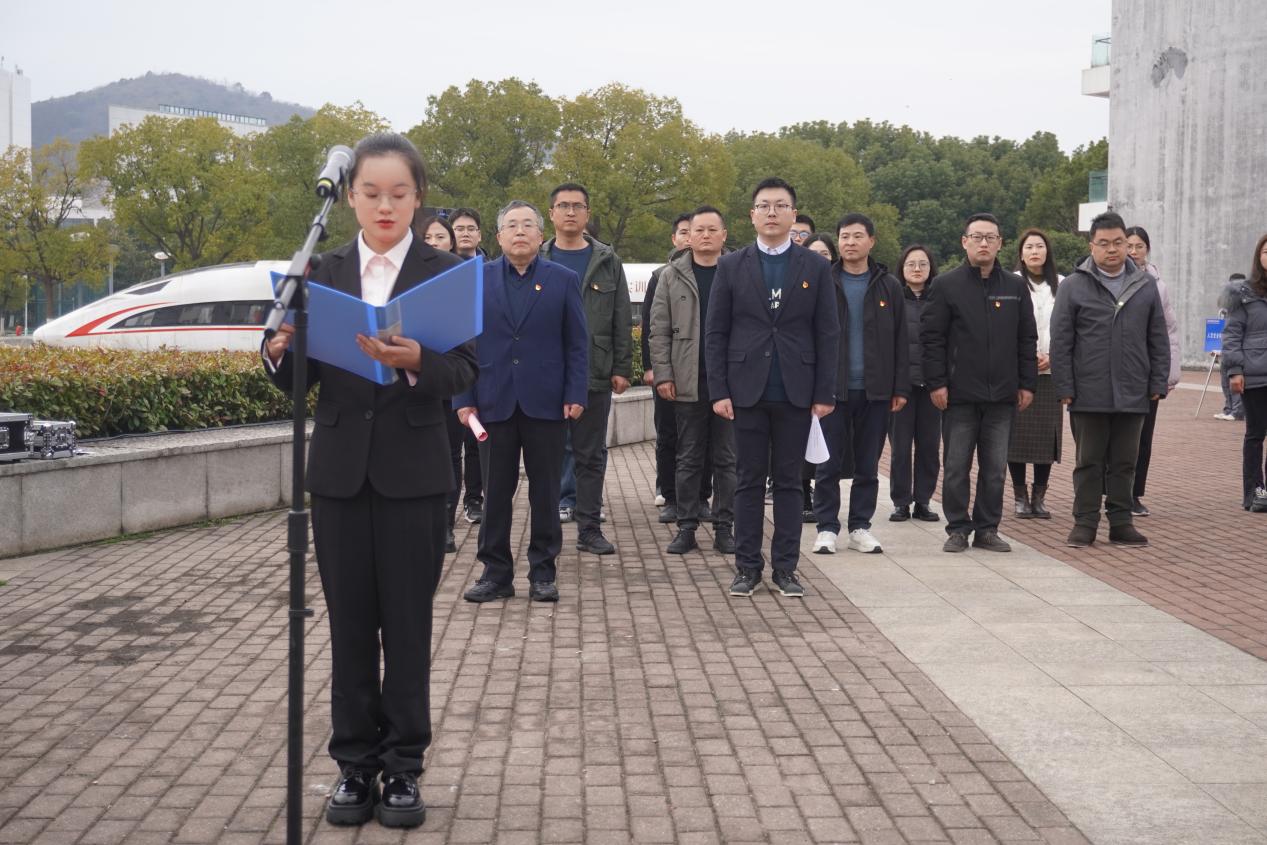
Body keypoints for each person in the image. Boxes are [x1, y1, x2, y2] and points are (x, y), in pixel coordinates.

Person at [263, 132, 478, 829]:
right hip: (338, 477)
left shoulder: (447, 272)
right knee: (350, 626)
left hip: (415, 475)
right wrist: (279, 352)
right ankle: (354, 766)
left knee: (408, 628)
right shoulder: (318, 270)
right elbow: (298, 380)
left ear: (418, 198)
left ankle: (404, 766)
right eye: (371, 192)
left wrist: (418, 362)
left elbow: (467, 368)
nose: (385, 205)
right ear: (350, 196)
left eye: (399, 193)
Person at [705, 177, 839, 598]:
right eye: (764, 205)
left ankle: (786, 568)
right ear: (752, 215)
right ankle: (747, 567)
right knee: (747, 481)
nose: (772, 213)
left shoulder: (815, 266)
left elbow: (828, 332)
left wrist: (825, 392)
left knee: (789, 483)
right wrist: (719, 390)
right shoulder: (731, 265)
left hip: (797, 391)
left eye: (780, 206)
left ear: (793, 214)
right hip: (746, 391)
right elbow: (716, 332)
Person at [455, 200, 589, 601]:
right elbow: (461, 342)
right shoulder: (476, 279)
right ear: (498, 236)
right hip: (492, 400)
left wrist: (575, 392)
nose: (519, 231)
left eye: (527, 225)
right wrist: (463, 397)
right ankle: (495, 573)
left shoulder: (562, 279)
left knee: (545, 492)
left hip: (546, 402)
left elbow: (577, 343)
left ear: (540, 235)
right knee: (495, 493)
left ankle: (543, 572)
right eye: (511, 225)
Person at [1050, 211, 1170, 548]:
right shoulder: (1073, 286)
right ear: (1092, 246)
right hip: (1088, 390)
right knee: (1088, 462)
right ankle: (1085, 523)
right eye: (1104, 243)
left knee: (1125, 462)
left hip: (1133, 389)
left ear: (1128, 245)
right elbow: (1062, 341)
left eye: (1119, 242)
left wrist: (1158, 381)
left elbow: (1158, 337)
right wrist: (1064, 386)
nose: (1113, 249)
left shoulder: (1145, 285)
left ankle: (1121, 523)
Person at [922, 212, 1037, 553]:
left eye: (990, 238)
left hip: (1002, 395)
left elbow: (1026, 338)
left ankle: (987, 529)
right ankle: (958, 528)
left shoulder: (1015, 286)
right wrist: (937, 383)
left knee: (995, 469)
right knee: (956, 467)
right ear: (965, 242)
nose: (983, 243)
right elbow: (932, 339)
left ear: (1000, 243)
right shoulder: (946, 285)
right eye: (977, 237)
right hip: (959, 395)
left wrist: (1027, 383)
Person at [542, 183, 633, 554]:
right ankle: (546, 528)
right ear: (551, 213)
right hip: (545, 373)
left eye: (577, 206)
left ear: (587, 213)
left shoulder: (607, 260)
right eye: (563, 206)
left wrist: (622, 367)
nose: (570, 212)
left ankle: (589, 528)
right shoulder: (538, 257)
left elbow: (621, 316)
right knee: (546, 454)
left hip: (594, 370)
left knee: (591, 454)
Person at [811, 213, 908, 555]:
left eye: (857, 236)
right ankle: (826, 527)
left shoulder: (888, 286)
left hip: (875, 390)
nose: (850, 242)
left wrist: (900, 387)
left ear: (871, 241)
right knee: (828, 464)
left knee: (868, 465)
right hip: (831, 390)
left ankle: (860, 526)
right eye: (844, 236)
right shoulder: (823, 280)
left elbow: (901, 339)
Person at [649, 205, 737, 555]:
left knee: (726, 459)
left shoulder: (738, 272)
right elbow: (658, 331)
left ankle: (724, 527)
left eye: (712, 230)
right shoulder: (671, 275)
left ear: (724, 235)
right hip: (687, 380)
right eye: (698, 229)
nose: (704, 235)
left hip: (728, 382)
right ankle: (686, 527)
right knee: (688, 456)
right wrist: (663, 374)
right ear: (688, 235)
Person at [1124, 225, 1181, 515]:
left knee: (1143, 437)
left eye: (1139, 246)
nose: (1133, 252)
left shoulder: (1158, 285)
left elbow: (1169, 331)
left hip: (1147, 373)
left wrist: (1169, 373)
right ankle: (1111, 492)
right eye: (1129, 246)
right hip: (1120, 370)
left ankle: (1134, 494)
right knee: (1115, 436)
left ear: (1148, 249)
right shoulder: (1111, 280)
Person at [1006, 229, 1063, 520]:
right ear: (1021, 253)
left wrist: (1054, 355)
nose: (1035, 251)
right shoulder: (1012, 283)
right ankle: (1020, 496)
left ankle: (1039, 496)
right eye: (1029, 247)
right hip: (1019, 371)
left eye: (1039, 246)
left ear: (1047, 251)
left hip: (1052, 372)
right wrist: (1028, 356)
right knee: (1016, 437)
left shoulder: (1062, 284)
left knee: (1046, 436)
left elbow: (1068, 326)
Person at [642, 213, 693, 522]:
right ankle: (668, 489)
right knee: (668, 434)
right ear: (674, 239)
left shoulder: (719, 270)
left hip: (698, 372)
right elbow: (651, 325)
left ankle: (698, 495)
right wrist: (651, 367)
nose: (689, 237)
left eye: (694, 231)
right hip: (667, 370)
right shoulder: (661, 276)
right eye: (684, 232)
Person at [888, 244, 941, 522]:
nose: (917, 269)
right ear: (902, 268)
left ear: (931, 268)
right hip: (901, 387)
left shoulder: (941, 299)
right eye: (911, 264)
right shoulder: (893, 298)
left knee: (929, 448)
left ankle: (923, 500)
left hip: (932, 387)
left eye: (923, 264)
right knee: (900, 448)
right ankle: (901, 502)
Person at [1223, 233, 1267, 511]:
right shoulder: (1244, 293)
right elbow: (1232, 334)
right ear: (1258, 257)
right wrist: (1235, 370)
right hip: (1256, 374)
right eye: (1266, 251)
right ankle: (1254, 492)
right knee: (1255, 434)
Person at [1218, 273, 1249, 421]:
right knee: (1225, 381)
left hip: (1237, 352)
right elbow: (1228, 332)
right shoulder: (1226, 308)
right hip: (1228, 351)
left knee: (1234, 380)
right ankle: (1229, 409)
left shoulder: (1246, 305)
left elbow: (1233, 333)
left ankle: (1236, 411)